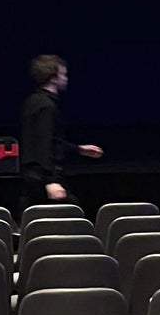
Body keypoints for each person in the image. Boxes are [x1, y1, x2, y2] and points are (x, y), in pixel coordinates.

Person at [19, 54, 102, 206]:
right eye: (63, 74)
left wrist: (79, 149)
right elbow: (44, 144)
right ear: (53, 78)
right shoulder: (47, 106)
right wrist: (51, 181)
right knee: (70, 217)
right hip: (42, 178)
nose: (66, 78)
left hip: (33, 176)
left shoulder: (33, 101)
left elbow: (50, 139)